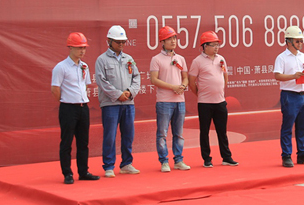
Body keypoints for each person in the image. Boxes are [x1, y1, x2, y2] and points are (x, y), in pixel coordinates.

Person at [51, 32, 100, 184]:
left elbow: (85, 85)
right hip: (68, 108)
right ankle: (67, 173)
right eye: (79, 48)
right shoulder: (61, 67)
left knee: (83, 142)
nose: (82, 51)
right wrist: (66, 101)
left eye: (84, 48)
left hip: (83, 107)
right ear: (70, 47)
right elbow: (55, 89)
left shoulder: (84, 66)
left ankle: (83, 171)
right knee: (67, 142)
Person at [95, 25, 141, 178]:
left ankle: (126, 164)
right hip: (110, 104)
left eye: (123, 42)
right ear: (109, 41)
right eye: (118, 42)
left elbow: (136, 77)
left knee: (128, 134)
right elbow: (101, 81)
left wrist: (130, 91)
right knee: (110, 135)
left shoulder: (129, 59)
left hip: (128, 103)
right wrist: (117, 94)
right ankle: (109, 166)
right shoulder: (102, 60)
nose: (121, 44)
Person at [189, 31, 238, 168]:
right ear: (205, 46)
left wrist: (219, 90)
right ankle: (207, 159)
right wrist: (201, 94)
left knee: (222, 131)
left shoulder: (221, 59)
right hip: (204, 103)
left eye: (218, 45)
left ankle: (226, 157)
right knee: (204, 132)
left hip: (220, 102)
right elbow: (192, 82)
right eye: (213, 45)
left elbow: (225, 77)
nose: (216, 47)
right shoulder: (197, 61)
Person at [273, 26, 304, 167]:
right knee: (288, 126)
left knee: (302, 127)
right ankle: (286, 155)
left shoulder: (303, 56)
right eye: (297, 41)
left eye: (301, 41)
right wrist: (293, 76)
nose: (300, 43)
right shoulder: (282, 57)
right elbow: (277, 75)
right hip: (290, 95)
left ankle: (302, 153)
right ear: (289, 42)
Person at [149, 26, 190, 172]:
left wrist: (182, 86)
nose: (173, 41)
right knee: (162, 133)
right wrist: (173, 87)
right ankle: (164, 161)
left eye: (174, 38)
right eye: (169, 39)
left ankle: (178, 160)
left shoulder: (181, 59)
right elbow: (154, 79)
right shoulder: (156, 59)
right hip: (164, 101)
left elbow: (185, 77)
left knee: (179, 133)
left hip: (180, 101)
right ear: (162, 41)